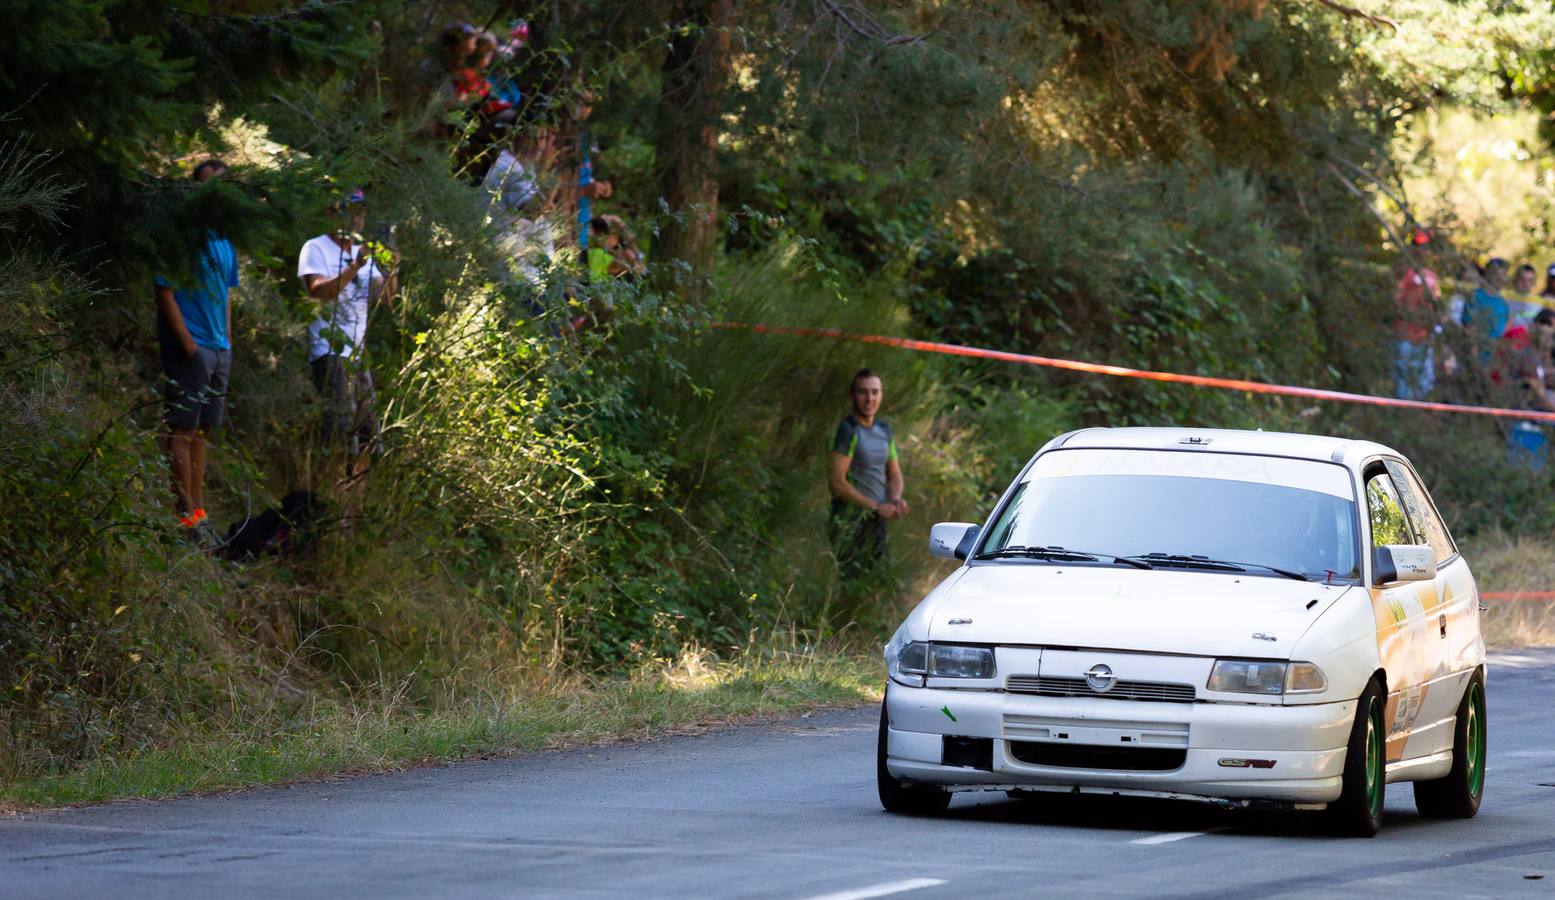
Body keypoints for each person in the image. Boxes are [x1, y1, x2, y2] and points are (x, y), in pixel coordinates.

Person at [153, 159, 237, 546]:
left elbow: (227, 294)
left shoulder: (226, 238)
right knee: (183, 430)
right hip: (194, 349)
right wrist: (188, 344)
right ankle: (184, 517)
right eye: (208, 187)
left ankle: (200, 514)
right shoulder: (182, 236)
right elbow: (164, 290)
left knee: (202, 434)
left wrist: (227, 343)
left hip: (219, 350)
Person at [298, 188, 397, 462]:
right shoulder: (315, 247)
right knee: (340, 426)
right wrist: (354, 266)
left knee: (367, 431)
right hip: (328, 348)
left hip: (356, 354)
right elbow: (318, 291)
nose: (358, 218)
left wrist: (392, 266)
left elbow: (386, 301)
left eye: (361, 211)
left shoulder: (362, 252)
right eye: (351, 211)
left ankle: (354, 494)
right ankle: (326, 483)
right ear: (332, 213)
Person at [828, 369, 909, 581]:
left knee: (874, 585)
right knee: (850, 584)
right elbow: (837, 482)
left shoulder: (884, 430)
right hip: (849, 521)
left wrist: (895, 499)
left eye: (875, 392)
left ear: (881, 394)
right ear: (853, 395)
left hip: (877, 522)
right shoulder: (847, 430)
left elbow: (894, 473)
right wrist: (875, 507)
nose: (869, 398)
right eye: (863, 392)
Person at [1507, 309, 1555, 468]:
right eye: (1546, 332)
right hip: (1524, 421)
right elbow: (1539, 396)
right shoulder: (1528, 357)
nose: (1549, 338)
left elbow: (1547, 377)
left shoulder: (1539, 357)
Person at [1392, 254, 1440, 400]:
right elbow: (1395, 300)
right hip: (1405, 334)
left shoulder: (1431, 276)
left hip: (1424, 336)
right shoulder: (1403, 274)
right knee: (1402, 376)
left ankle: (1419, 408)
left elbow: (1435, 302)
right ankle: (1401, 406)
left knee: (1423, 377)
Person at [1461, 258, 1510, 365]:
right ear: (1487, 274)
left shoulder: (1503, 303)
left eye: (1504, 274)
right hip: (1476, 359)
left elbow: (1503, 333)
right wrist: (1474, 360)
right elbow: (1470, 329)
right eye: (1496, 274)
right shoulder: (1475, 297)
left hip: (1495, 361)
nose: (1500, 278)